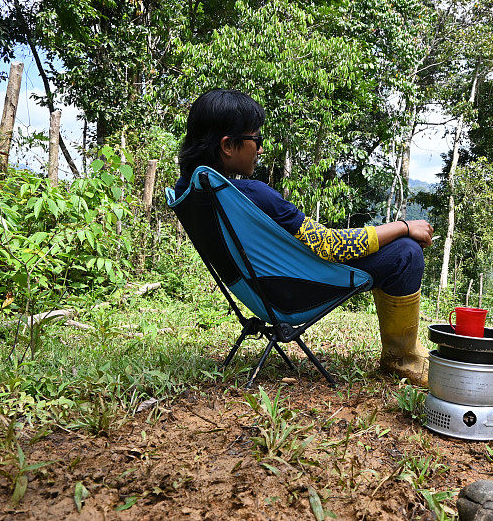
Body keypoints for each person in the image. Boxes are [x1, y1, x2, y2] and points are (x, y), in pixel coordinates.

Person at [174, 89, 434, 385]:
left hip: (257, 292)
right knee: (405, 252)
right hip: (291, 295)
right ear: (228, 146)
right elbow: (331, 245)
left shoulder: (187, 192)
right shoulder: (251, 195)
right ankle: (403, 359)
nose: (260, 149)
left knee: (399, 247)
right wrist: (403, 226)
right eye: (256, 140)